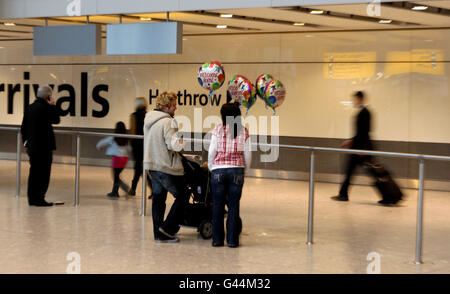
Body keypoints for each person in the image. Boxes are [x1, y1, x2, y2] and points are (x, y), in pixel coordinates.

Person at [143, 91, 187, 243]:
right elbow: (173, 144)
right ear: (166, 107)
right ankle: (167, 229)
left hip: (152, 165)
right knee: (183, 196)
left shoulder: (149, 120)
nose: (176, 108)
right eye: (174, 105)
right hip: (165, 166)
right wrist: (181, 142)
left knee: (158, 200)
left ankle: (158, 234)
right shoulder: (168, 122)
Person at [208, 102, 251, 248]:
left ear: (223, 116)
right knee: (233, 206)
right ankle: (232, 241)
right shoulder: (243, 131)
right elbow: (248, 154)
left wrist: (211, 167)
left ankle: (217, 240)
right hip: (236, 170)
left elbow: (211, 151)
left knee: (218, 206)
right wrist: (245, 169)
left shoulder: (217, 130)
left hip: (218, 170)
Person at [20, 85, 61, 206]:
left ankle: (32, 199)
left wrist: (27, 143)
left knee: (33, 173)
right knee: (43, 174)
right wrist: (53, 105)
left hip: (32, 147)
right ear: (48, 96)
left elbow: (23, 128)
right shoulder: (46, 108)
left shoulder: (30, 108)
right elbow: (56, 119)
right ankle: (39, 198)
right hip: (44, 147)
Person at [332, 91, 373, 202]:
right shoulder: (363, 112)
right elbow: (361, 132)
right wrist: (351, 141)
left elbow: (365, 132)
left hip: (361, 148)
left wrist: (362, 148)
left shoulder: (365, 112)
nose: (353, 101)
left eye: (354, 99)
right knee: (350, 171)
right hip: (358, 147)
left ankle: (389, 195)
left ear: (360, 99)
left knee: (372, 173)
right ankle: (343, 194)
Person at [96, 121, 131, 199]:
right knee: (116, 176)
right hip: (124, 160)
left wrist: (99, 147)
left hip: (117, 159)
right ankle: (115, 191)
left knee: (115, 176)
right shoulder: (126, 138)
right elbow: (129, 149)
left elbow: (102, 143)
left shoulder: (113, 137)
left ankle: (123, 189)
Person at [128, 97, 152, 197]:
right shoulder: (148, 115)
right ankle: (133, 189)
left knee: (138, 168)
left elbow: (132, 131)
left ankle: (133, 189)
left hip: (137, 146)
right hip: (146, 145)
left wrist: (130, 145)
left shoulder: (133, 116)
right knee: (141, 168)